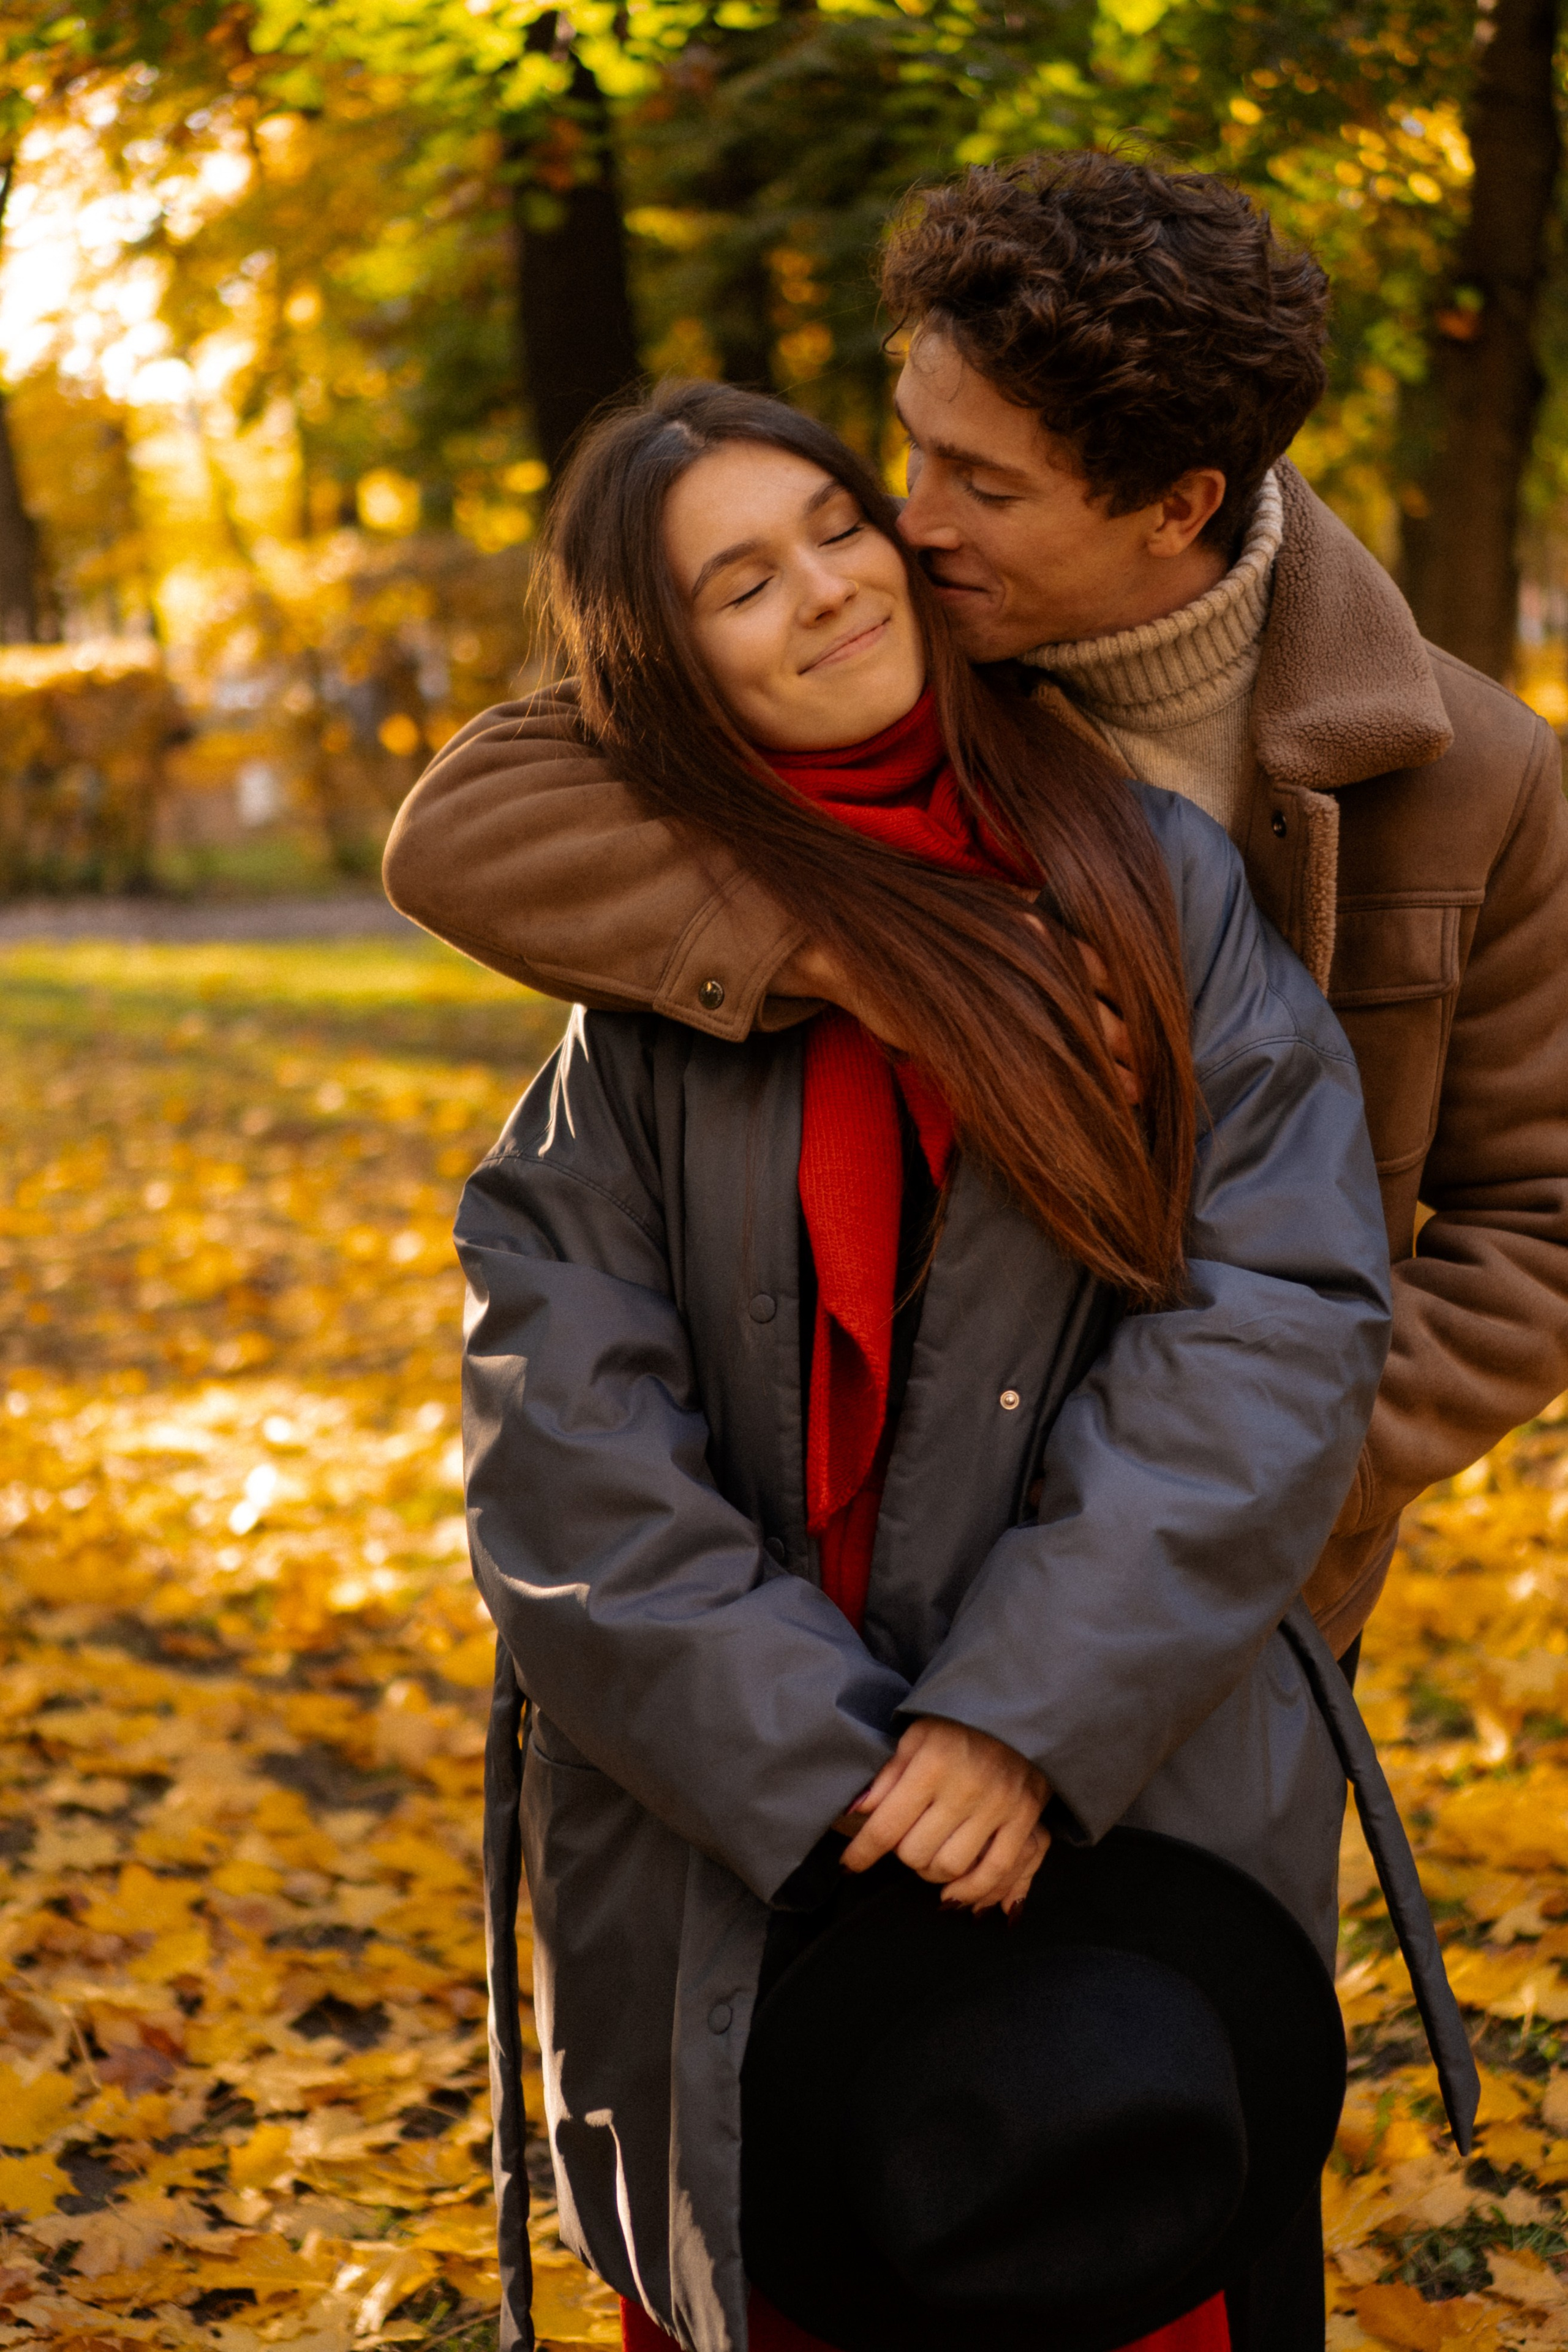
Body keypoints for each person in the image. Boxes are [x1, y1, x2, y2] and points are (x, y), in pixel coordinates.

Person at [456, 377, 1404, 2352]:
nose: (824, 587)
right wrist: (846, 1788)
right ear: (663, 664)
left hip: (1115, 1809)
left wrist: (1019, 1722)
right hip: (752, 1857)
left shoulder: (1151, 875)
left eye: (832, 523)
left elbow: (1280, 1307)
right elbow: (567, 1468)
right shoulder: (638, 1014)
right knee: (803, 2253)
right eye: (737, 581)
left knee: (1102, 2258)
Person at [386, 152, 1568, 1675]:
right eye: (913, 450)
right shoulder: (885, 643)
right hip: (834, 1549)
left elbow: (1533, 1229)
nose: (912, 518)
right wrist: (868, 952)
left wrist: (1265, 1481)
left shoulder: (1467, 776)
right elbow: (478, 821)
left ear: (1175, 506)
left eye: (984, 485)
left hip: (1213, 1598)